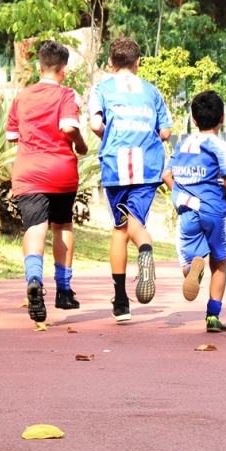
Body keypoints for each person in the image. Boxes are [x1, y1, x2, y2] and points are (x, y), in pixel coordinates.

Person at [88, 37, 173, 322]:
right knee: (135, 222)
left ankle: (121, 301)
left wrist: (109, 134)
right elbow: (165, 133)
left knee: (119, 228)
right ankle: (146, 249)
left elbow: (95, 124)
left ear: (111, 63)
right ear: (138, 62)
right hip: (147, 166)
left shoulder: (101, 89)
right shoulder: (152, 91)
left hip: (115, 164)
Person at [6, 40, 89, 323]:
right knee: (62, 224)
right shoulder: (67, 95)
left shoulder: (22, 96)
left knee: (35, 226)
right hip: (61, 171)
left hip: (28, 171)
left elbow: (12, 136)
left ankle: (33, 279)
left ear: (39, 67)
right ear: (63, 69)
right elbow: (68, 127)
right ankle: (64, 291)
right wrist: (81, 144)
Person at [162, 91, 226, 332]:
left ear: (194, 120)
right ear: (222, 118)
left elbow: (166, 174)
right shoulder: (220, 146)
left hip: (186, 209)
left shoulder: (183, 142)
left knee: (190, 259)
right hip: (213, 209)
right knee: (219, 261)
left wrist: (181, 192)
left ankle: (192, 270)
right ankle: (213, 316)